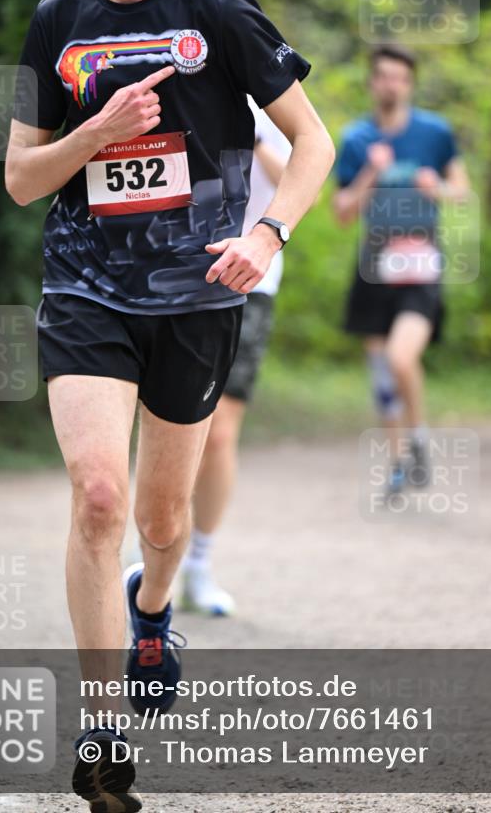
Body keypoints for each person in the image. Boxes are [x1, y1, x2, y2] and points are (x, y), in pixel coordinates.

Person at [5, 0, 335, 810]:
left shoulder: (222, 15)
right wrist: (94, 134)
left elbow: (311, 143)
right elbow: (23, 177)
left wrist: (268, 234)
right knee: (100, 498)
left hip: (196, 299)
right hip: (85, 290)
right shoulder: (54, 20)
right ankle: (103, 735)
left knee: (159, 520)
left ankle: (156, 607)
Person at [333, 44, 469, 495]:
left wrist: (439, 188)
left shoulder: (435, 133)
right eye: (384, 76)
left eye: (399, 77)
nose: (391, 84)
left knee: (400, 357)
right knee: (380, 371)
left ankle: (419, 438)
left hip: (420, 263)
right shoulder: (356, 138)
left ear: (409, 84)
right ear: (373, 82)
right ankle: (397, 462)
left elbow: (462, 193)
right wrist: (370, 175)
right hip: (374, 263)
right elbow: (342, 212)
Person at [180, 98, 291, 616]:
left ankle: (199, 562)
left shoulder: (277, 101)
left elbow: (297, 178)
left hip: (251, 283)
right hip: (177, 282)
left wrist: (258, 138)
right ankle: (159, 547)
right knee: (173, 424)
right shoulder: (183, 81)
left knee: (220, 430)